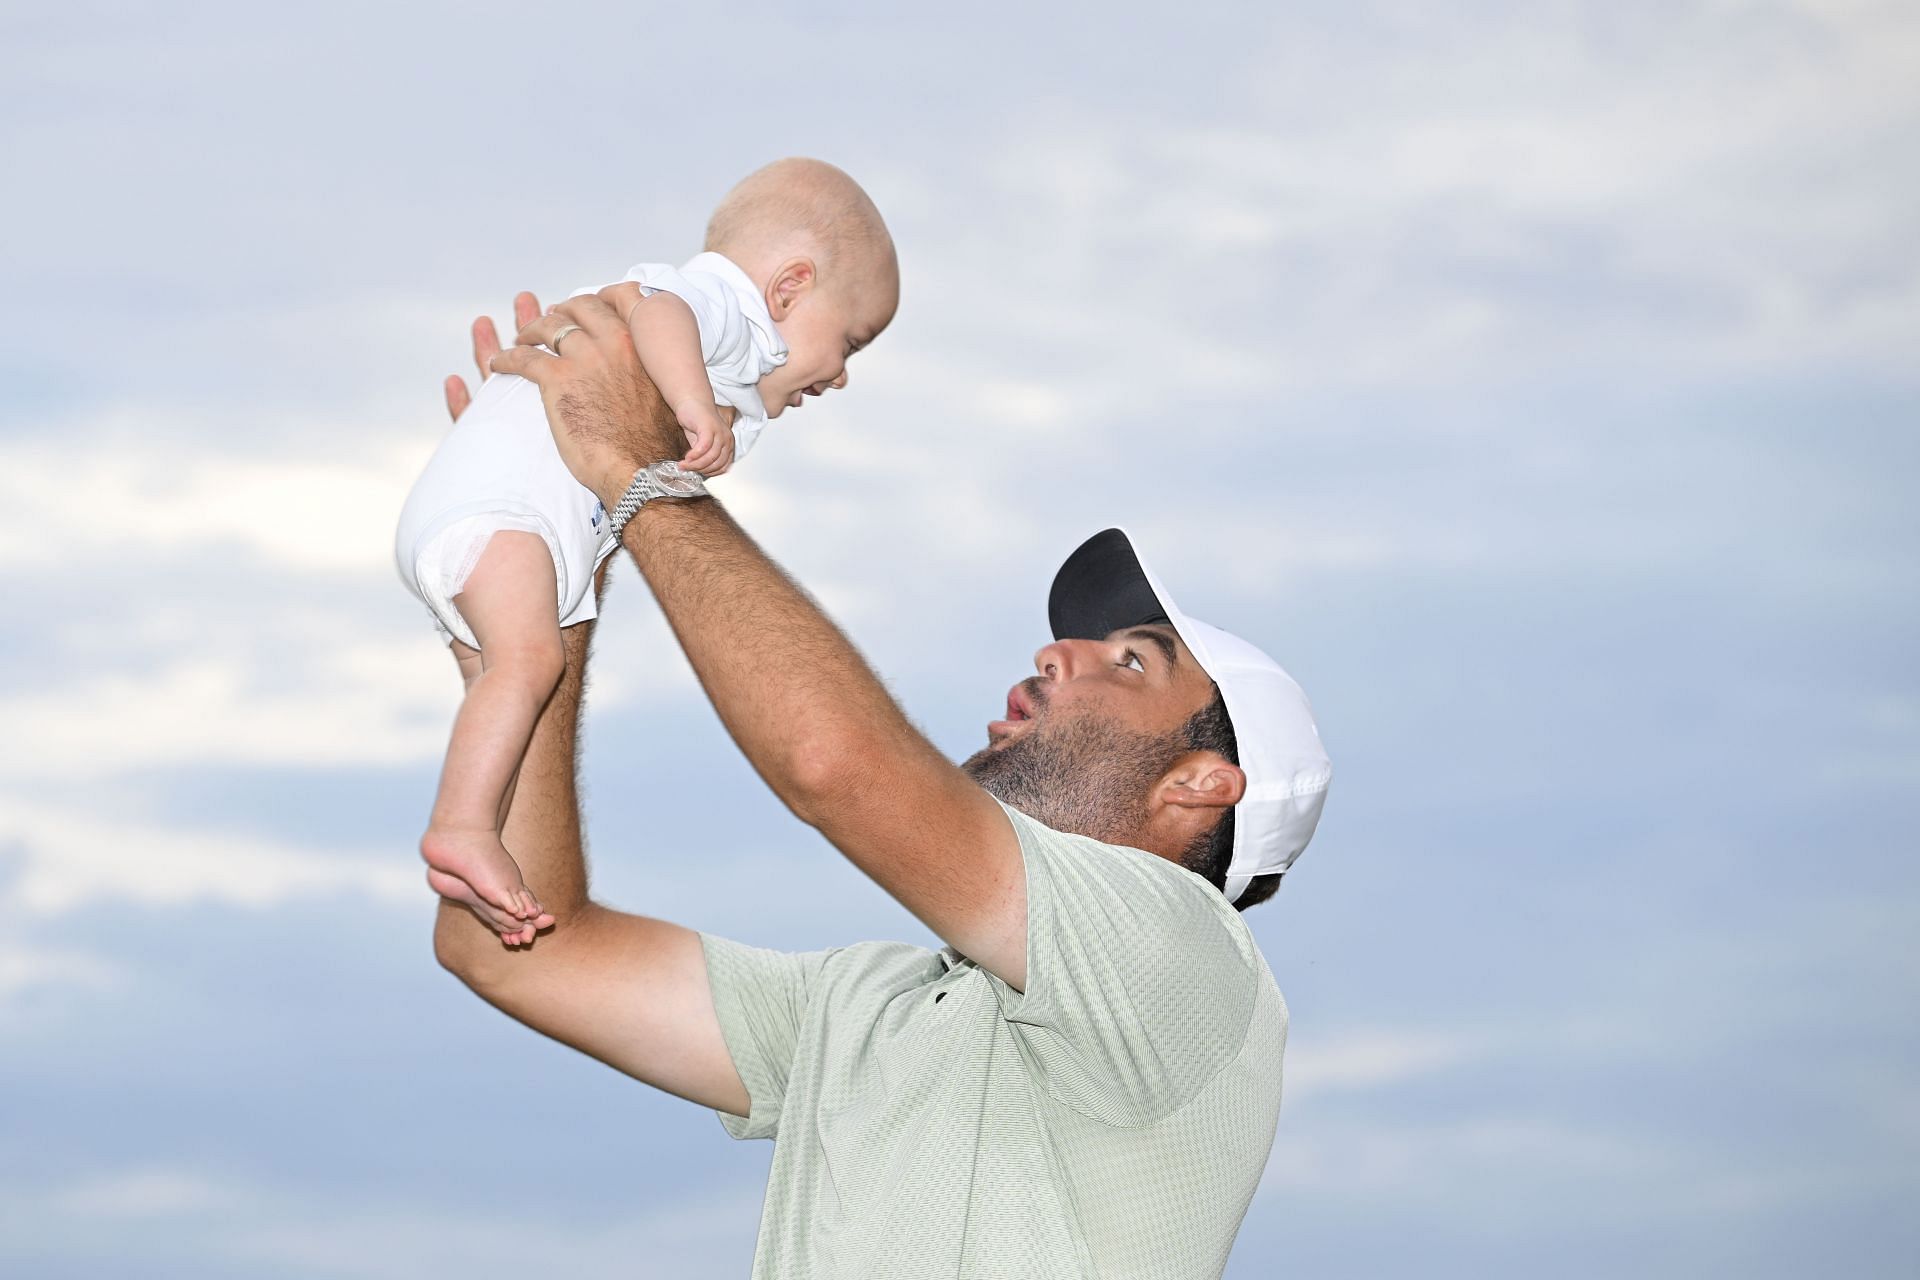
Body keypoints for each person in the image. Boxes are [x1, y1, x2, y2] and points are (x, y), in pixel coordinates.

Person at [430, 291, 1332, 1279]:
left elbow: (838, 765)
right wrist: (543, 597)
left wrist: (637, 469)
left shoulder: (1188, 958)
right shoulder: (872, 1004)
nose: (1056, 651)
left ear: (1204, 781)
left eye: (1131, 661)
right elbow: (512, 949)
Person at [395, 159, 899, 942]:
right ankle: (461, 826)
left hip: (493, 514)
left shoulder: (736, 353)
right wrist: (695, 404)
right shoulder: (720, 303)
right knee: (530, 665)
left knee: (519, 667)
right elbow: (659, 311)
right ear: (789, 288)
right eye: (850, 343)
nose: (839, 378)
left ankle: (476, 824)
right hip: (497, 513)